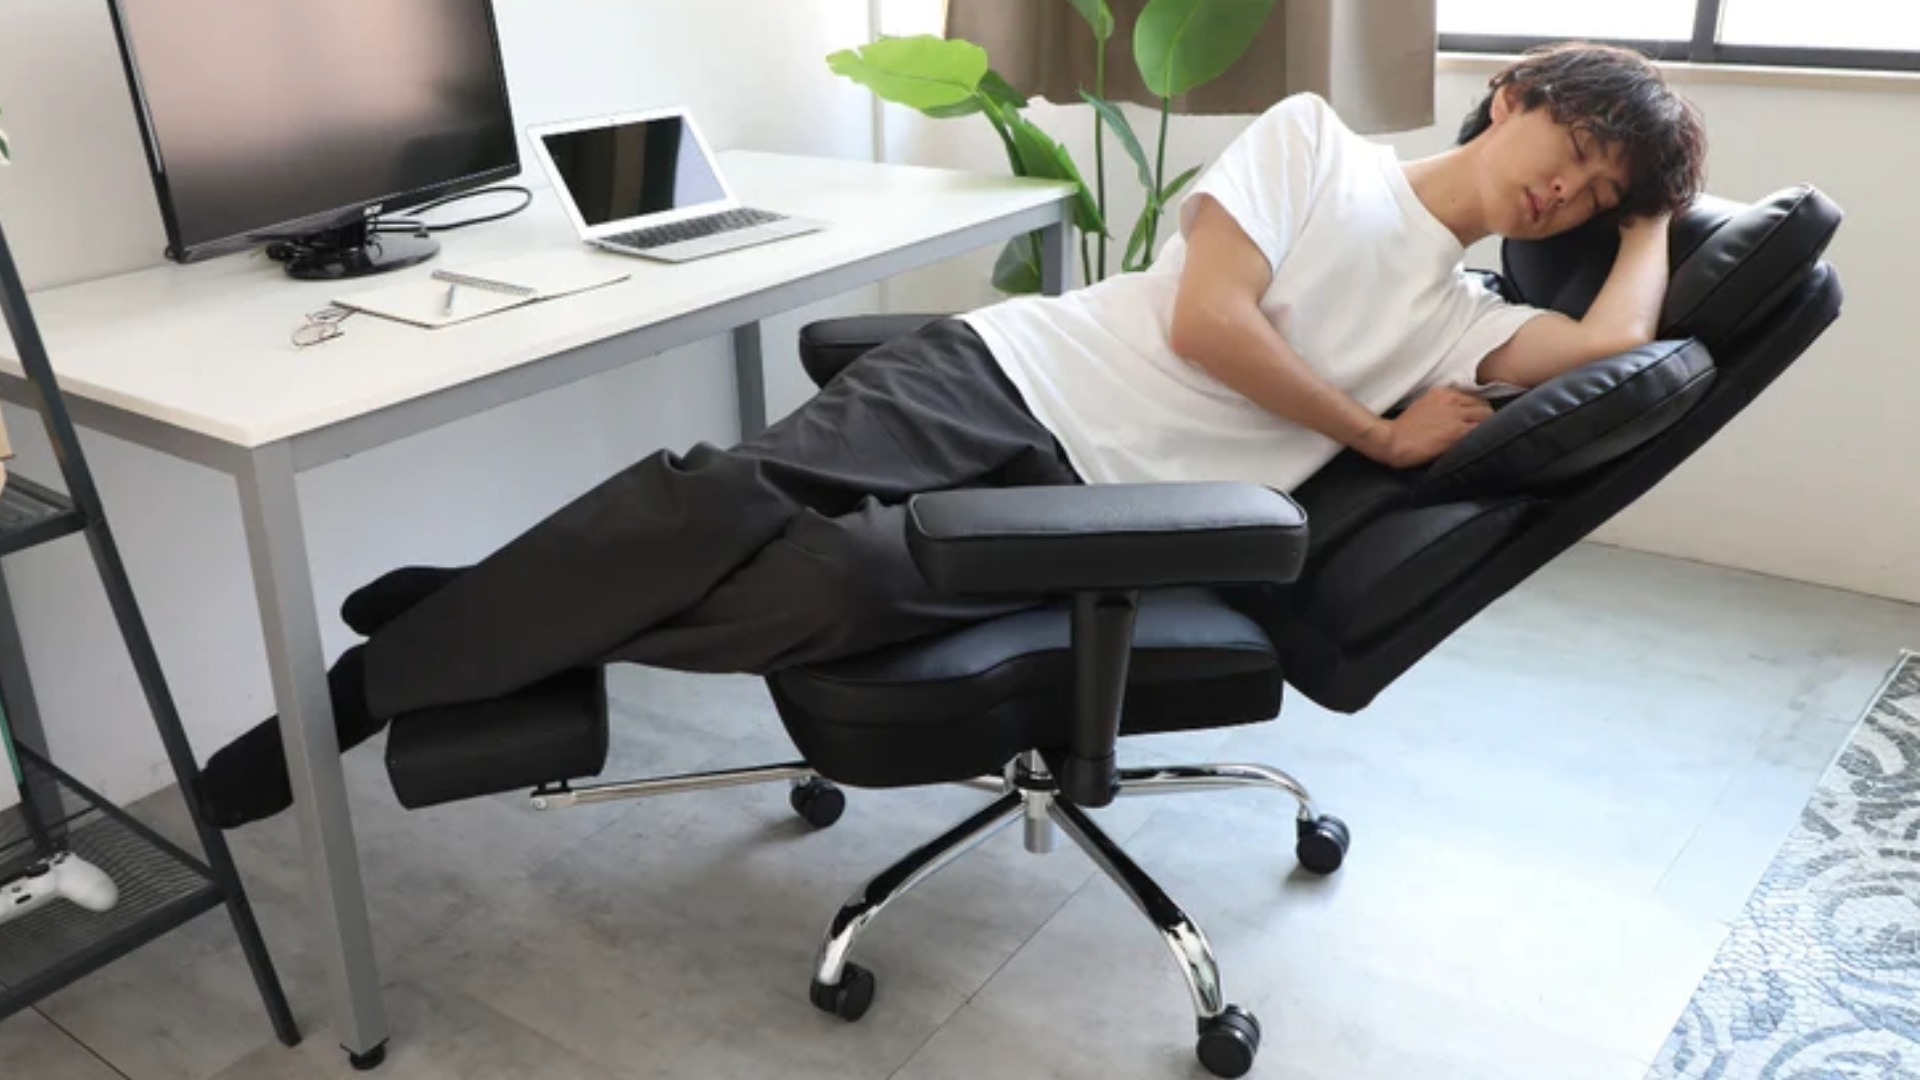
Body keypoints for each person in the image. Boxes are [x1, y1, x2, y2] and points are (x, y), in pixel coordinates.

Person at [197, 41, 1708, 828]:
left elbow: (1615, 349)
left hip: (1104, 503)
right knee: (714, 500)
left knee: (832, 587)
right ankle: (365, 693)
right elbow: (1208, 323)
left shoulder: (1457, 322)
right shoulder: (1317, 142)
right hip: (1003, 373)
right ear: (1509, 96)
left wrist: (1654, 209)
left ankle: (499, 618)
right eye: (1572, 149)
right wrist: (1371, 438)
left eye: (1592, 195)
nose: (1562, 193)